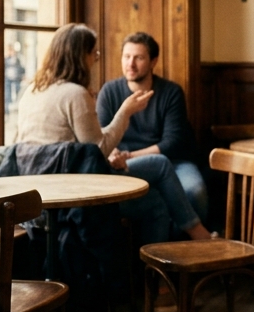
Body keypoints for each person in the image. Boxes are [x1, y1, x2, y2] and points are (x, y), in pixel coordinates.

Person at [15, 23, 211, 243]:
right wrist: (125, 112)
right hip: (72, 186)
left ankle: (158, 267)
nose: (95, 59)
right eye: (93, 53)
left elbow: (172, 141)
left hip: (34, 190)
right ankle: (194, 242)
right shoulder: (76, 93)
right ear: (81, 56)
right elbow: (97, 151)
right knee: (159, 166)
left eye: (138, 57)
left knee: (157, 201)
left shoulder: (31, 90)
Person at [97, 32, 210, 241]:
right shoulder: (109, 91)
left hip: (173, 161)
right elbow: (101, 135)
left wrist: (128, 156)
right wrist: (115, 156)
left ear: (153, 62)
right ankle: (180, 248)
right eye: (126, 57)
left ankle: (184, 252)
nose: (130, 64)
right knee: (153, 199)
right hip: (125, 164)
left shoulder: (171, 92)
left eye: (138, 58)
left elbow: (172, 142)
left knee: (194, 191)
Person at [4, 43, 25, 112]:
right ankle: (7, 110)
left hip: (16, 78)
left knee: (17, 92)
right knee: (7, 94)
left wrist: (22, 75)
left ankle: (17, 107)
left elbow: (21, 68)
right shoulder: (6, 59)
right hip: (8, 79)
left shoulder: (17, 59)